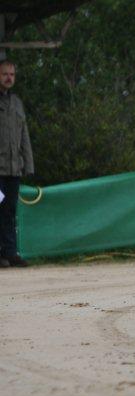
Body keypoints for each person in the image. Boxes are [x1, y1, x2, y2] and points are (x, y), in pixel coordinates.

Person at [0, 59, 33, 268]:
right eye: (5, 74)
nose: (9, 78)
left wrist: (28, 164)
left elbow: (24, 135)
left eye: (12, 74)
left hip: (13, 170)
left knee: (10, 210)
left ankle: (10, 253)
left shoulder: (17, 103)